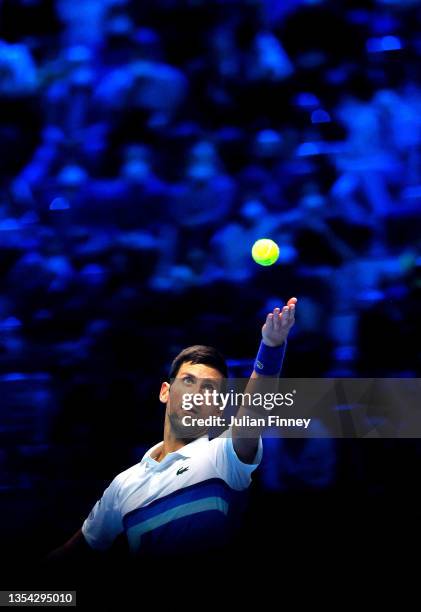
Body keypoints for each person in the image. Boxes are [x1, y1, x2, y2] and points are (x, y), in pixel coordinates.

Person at [47, 298, 297, 562]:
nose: (196, 395)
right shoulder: (123, 485)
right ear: (165, 392)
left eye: (209, 389)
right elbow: (71, 555)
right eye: (188, 381)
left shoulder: (222, 455)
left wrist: (271, 347)